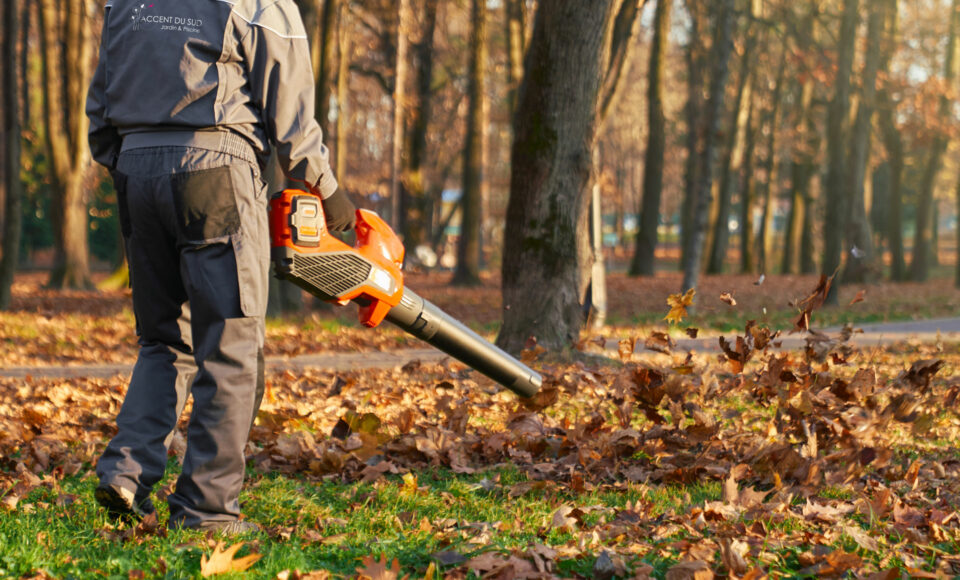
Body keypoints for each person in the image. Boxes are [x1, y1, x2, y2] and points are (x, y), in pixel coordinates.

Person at [85, 0, 355, 534]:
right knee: (231, 348)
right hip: (214, 170)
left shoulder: (125, 5)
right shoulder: (261, 5)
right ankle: (207, 511)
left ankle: (127, 472)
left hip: (135, 170)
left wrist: (131, 164)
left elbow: (100, 109)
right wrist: (327, 188)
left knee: (163, 340)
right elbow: (292, 116)